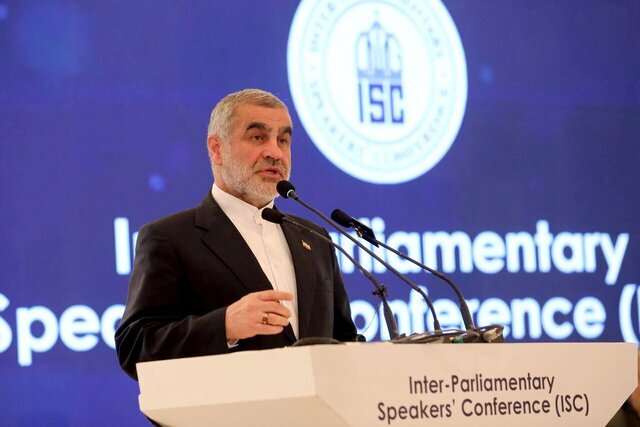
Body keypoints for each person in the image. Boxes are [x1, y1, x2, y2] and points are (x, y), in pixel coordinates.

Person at [115, 89, 357, 380]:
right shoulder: (169, 238)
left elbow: (343, 341)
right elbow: (136, 347)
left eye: (283, 140)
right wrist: (225, 326)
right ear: (216, 149)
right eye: (257, 137)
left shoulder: (314, 239)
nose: (275, 152)